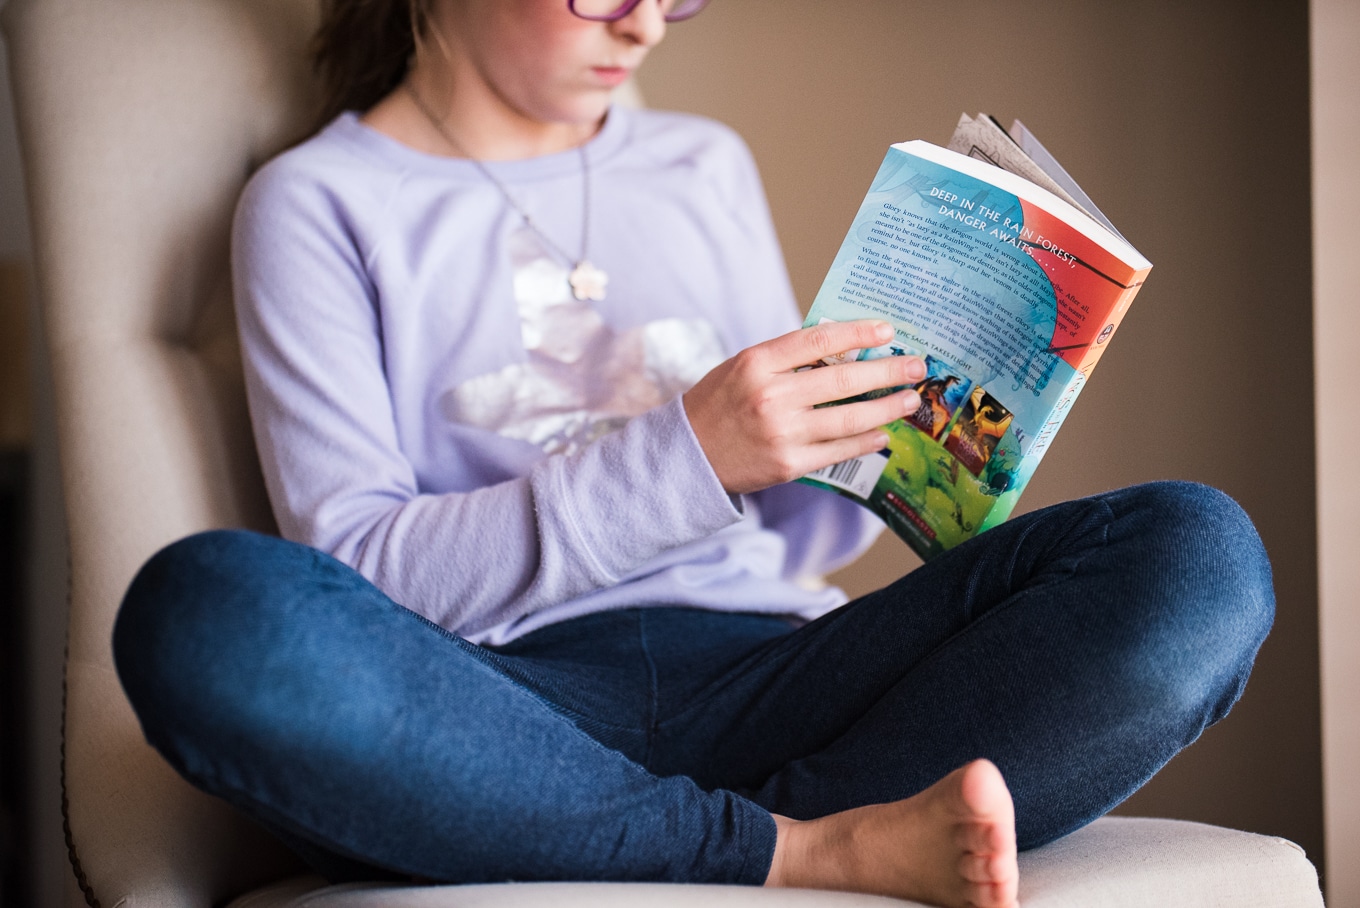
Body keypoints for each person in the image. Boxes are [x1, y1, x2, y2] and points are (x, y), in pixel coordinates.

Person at [110, 2, 1275, 907]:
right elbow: (364, 564)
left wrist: (851, 440)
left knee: (1198, 554)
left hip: (779, 676)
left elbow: (803, 534)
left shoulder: (699, 164)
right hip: (500, 707)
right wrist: (692, 454)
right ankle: (802, 848)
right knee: (204, 612)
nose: (646, 24)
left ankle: (732, 832)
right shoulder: (318, 201)